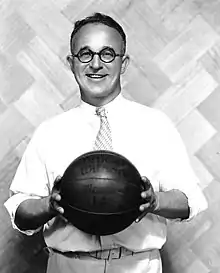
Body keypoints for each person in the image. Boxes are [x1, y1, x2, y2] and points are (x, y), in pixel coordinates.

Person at [4, 12, 208, 273]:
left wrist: (154, 201)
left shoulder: (156, 125)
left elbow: (190, 200)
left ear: (123, 63)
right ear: (71, 62)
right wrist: (49, 204)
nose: (96, 64)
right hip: (67, 266)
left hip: (138, 266)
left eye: (108, 53)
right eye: (85, 54)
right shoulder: (49, 132)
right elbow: (20, 214)